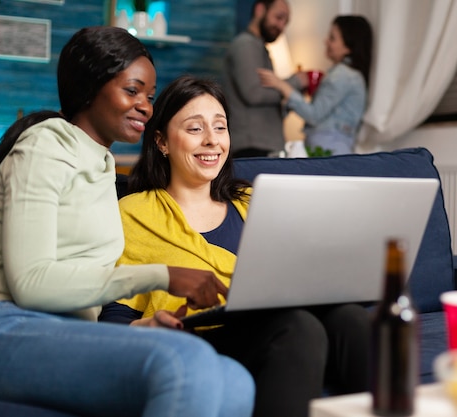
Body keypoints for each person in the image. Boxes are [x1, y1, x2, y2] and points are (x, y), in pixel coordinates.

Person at [0, 26, 254, 417]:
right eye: (132, 91)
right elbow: (31, 285)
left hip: (73, 333)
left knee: (235, 379)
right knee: (184, 361)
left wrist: (146, 329)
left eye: (150, 97)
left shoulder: (104, 167)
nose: (146, 106)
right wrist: (164, 275)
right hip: (6, 327)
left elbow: (86, 298)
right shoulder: (45, 145)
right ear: (91, 87)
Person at [99, 75, 371, 417]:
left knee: (351, 319)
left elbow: (296, 275)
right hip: (196, 339)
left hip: (269, 328)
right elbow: (112, 323)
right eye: (195, 129)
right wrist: (150, 325)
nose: (212, 141)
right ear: (162, 141)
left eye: (220, 127)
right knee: (298, 327)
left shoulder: (256, 201)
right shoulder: (134, 215)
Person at [258, 15, 373, 155]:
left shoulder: (343, 75)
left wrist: (283, 86)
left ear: (348, 47)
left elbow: (314, 115)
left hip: (329, 150)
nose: (326, 41)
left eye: (332, 38)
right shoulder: (350, 75)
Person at [221, 0, 306, 158]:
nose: (281, 26)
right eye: (278, 17)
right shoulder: (246, 45)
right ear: (260, 10)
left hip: (260, 146)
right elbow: (254, 93)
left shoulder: (258, 46)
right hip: (251, 147)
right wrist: (293, 83)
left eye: (285, 22)